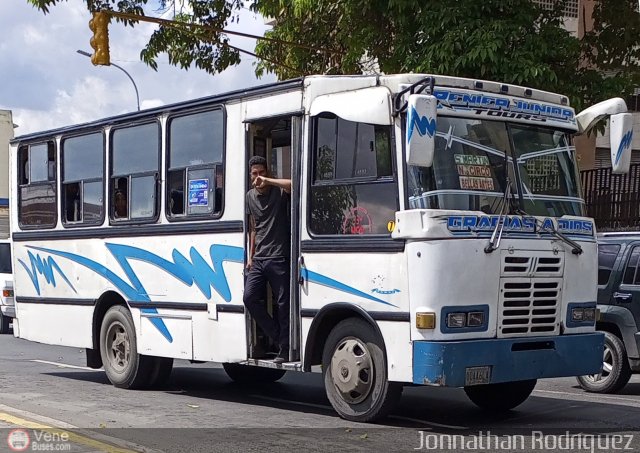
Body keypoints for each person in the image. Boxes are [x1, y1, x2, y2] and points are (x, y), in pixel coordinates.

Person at [243, 155, 291, 363]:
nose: (258, 177)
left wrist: (269, 181)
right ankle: (278, 337)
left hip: (279, 256)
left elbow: (293, 185)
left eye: (262, 172)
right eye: (255, 174)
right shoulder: (249, 197)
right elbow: (253, 227)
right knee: (249, 297)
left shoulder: (279, 191)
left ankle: (286, 348)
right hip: (260, 258)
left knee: (283, 303)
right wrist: (250, 256)